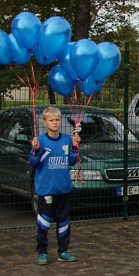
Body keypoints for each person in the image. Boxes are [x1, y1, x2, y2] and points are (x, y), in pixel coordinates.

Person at [30, 106, 81, 265]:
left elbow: (72, 161)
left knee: (64, 221)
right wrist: (35, 150)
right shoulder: (40, 141)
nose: (55, 123)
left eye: (57, 120)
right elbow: (34, 163)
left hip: (63, 188)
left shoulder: (66, 139)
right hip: (47, 190)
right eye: (51, 120)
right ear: (44, 122)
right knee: (44, 222)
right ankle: (42, 252)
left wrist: (75, 147)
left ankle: (63, 250)